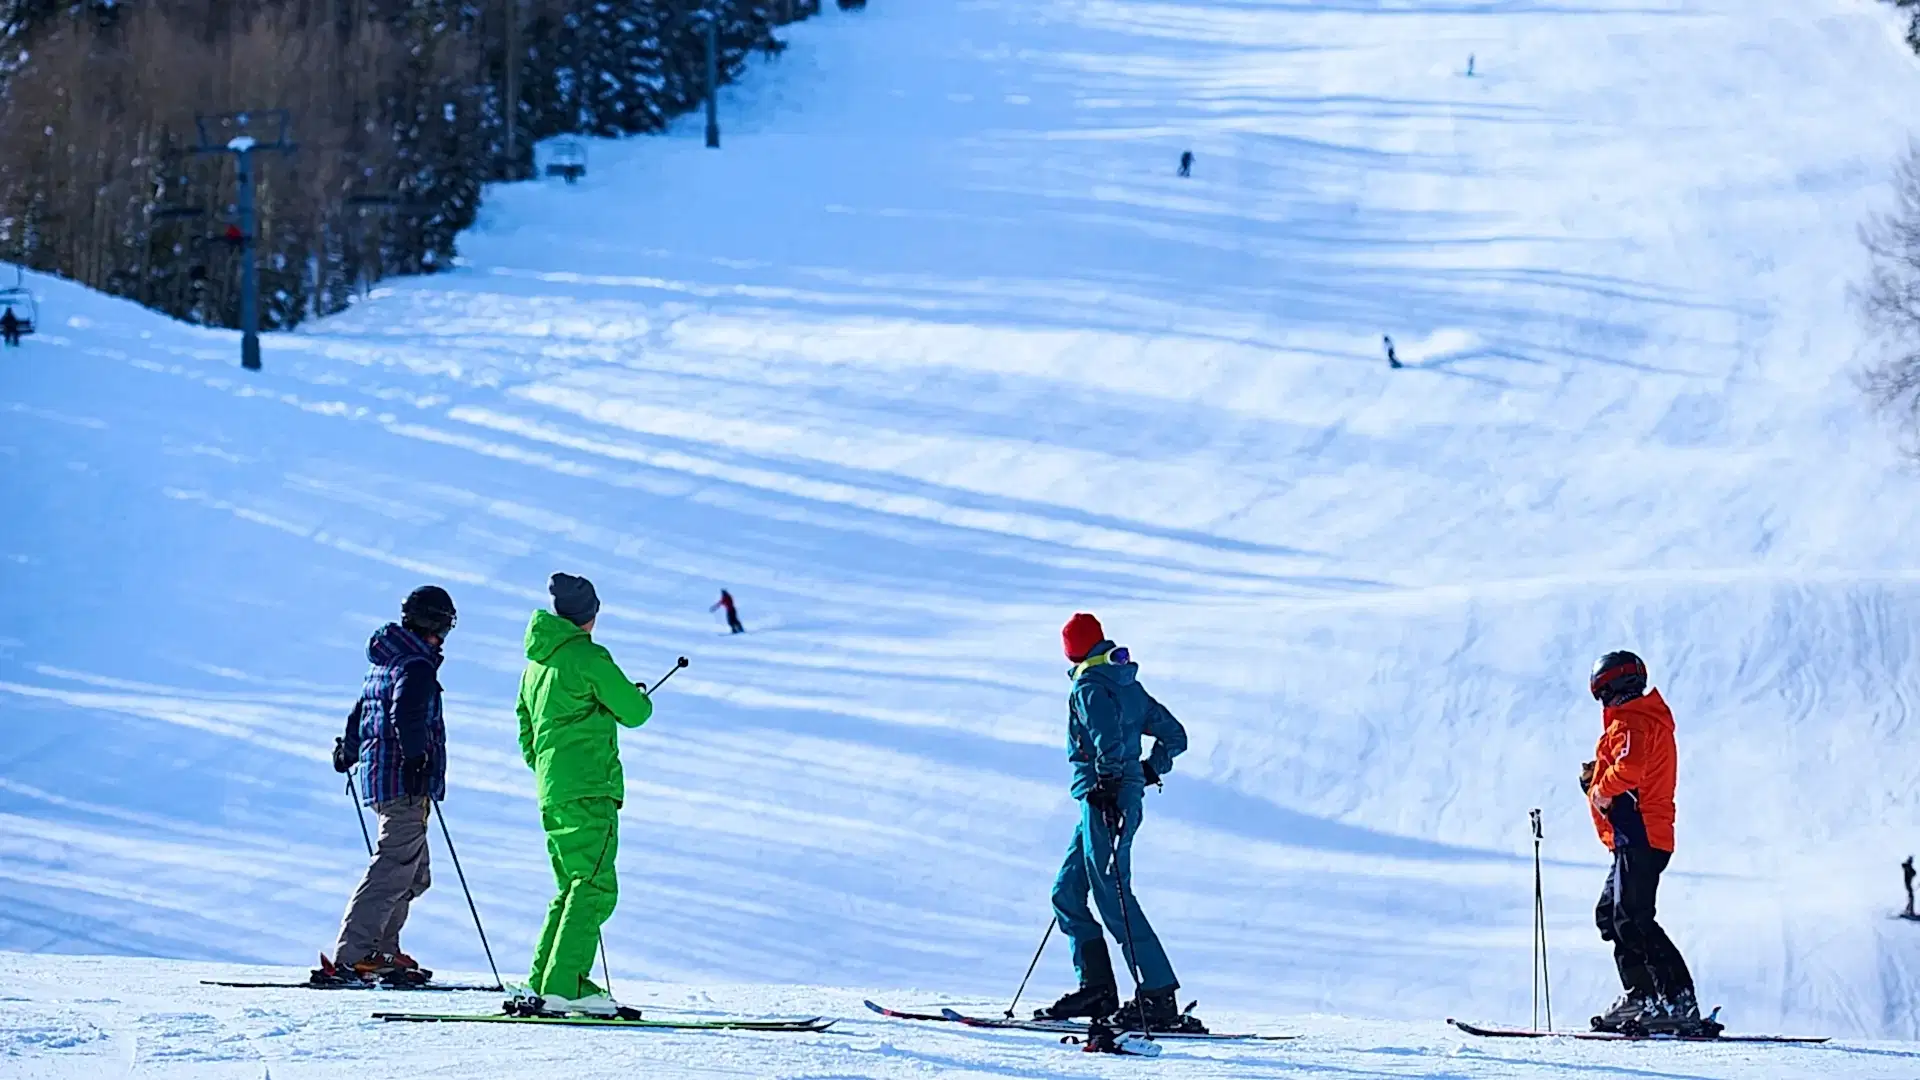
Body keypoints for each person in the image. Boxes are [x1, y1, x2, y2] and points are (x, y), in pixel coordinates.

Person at [1036, 613, 1201, 1033]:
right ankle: (1096, 989)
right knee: (1067, 892)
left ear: (1071, 648)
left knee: (1113, 895)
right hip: (1102, 800)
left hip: (1106, 800)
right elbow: (1175, 736)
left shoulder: (1090, 685)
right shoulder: (1126, 680)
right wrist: (1147, 770)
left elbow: (1105, 739)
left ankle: (1158, 995)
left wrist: (1113, 782)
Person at [518, 572, 655, 1015]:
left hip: (552, 788)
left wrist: (551, 768)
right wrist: (632, 695)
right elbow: (635, 712)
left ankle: (545, 979)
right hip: (589, 787)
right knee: (595, 884)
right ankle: (567, 984)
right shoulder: (588, 657)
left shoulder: (535, 667)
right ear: (591, 615)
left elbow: (527, 734)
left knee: (570, 885)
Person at [319, 585, 457, 987]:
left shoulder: (387, 662)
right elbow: (405, 714)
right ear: (436, 625)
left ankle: (381, 949)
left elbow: (362, 709)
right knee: (393, 868)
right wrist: (417, 759)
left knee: (414, 873)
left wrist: (349, 749)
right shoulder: (414, 665)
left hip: (387, 780)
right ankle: (357, 953)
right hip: (404, 781)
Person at [1583, 651, 1706, 1035]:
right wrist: (1596, 777)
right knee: (1612, 915)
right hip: (1633, 836)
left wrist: (1601, 788)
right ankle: (1644, 995)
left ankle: (1673, 999)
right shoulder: (1638, 720)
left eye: (1603, 693)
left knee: (1633, 917)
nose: (1603, 702)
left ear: (1616, 688)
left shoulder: (1632, 720)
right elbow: (1632, 768)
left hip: (1642, 834)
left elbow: (1630, 768)